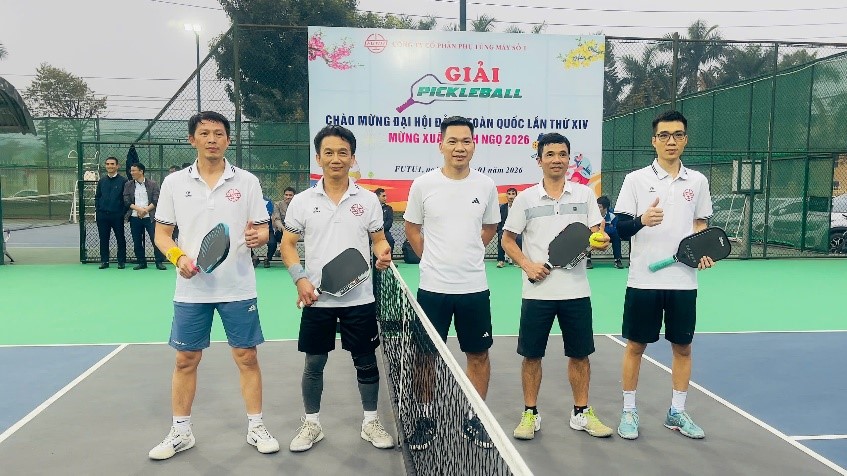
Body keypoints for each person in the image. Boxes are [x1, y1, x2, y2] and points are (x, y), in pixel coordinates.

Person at [148, 111, 279, 460]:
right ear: (192, 139)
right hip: (192, 289)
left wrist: (259, 236)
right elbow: (162, 234)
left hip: (238, 286)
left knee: (247, 357)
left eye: (218, 133)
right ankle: (181, 431)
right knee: (185, 359)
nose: (212, 139)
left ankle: (256, 426)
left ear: (228, 140)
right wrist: (178, 257)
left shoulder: (247, 182)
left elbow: (263, 230)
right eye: (204, 133)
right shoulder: (174, 183)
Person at [281, 125, 395, 453]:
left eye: (342, 153)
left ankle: (370, 422)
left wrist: (383, 252)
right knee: (314, 363)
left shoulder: (368, 201)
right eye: (328, 152)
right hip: (317, 299)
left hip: (359, 298)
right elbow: (288, 244)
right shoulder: (302, 202)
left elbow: (378, 239)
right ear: (318, 158)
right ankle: (312, 424)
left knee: (366, 360)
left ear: (352, 158)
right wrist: (300, 279)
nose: (336, 159)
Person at [501, 132, 614, 441]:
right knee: (531, 356)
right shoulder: (525, 199)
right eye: (549, 154)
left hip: (576, 291)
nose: (556, 159)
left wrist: (601, 241)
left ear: (568, 159)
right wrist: (527, 264)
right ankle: (530, 413)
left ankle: (581, 412)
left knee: (580, 355)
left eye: (562, 154)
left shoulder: (585, 195)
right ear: (539, 160)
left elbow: (596, 235)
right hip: (537, 293)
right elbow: (507, 240)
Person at [613, 110, 714, 441]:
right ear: (654, 140)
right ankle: (629, 411)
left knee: (683, 348)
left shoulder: (698, 181)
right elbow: (620, 229)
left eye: (678, 135)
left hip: (683, 281)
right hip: (643, 280)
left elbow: (700, 224)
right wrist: (642, 220)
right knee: (635, 346)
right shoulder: (636, 180)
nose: (672, 141)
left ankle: (677, 412)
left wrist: (701, 251)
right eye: (665, 135)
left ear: (685, 139)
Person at [403, 115, 500, 450]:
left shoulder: (486, 186)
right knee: (424, 357)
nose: (460, 147)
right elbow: (412, 228)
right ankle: (425, 418)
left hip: (474, 289)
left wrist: (470, 250)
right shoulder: (423, 185)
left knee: (478, 355)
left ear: (474, 145)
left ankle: (475, 419)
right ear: (441, 145)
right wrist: (431, 257)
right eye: (453, 141)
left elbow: (489, 228)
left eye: (466, 141)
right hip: (433, 290)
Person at [123, 162, 166, 270]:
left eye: (134, 170)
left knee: (155, 240)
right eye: (131, 171)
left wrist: (145, 210)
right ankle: (141, 262)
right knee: (137, 241)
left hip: (150, 217)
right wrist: (138, 209)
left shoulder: (153, 184)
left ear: (141, 171)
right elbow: (126, 201)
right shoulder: (128, 185)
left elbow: (156, 200)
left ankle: (159, 262)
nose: (131, 173)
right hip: (135, 217)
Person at [94, 156, 128, 269]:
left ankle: (121, 261)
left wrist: (121, 212)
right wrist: (98, 210)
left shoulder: (123, 181)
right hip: (102, 216)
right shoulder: (102, 181)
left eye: (112, 164)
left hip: (117, 215)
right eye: (108, 164)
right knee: (103, 239)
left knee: (120, 238)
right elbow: (97, 197)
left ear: (117, 166)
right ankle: (104, 261)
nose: (110, 166)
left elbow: (126, 199)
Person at [590, 195, 625, 269]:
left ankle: (617, 260)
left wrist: (602, 230)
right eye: (596, 206)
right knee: (587, 235)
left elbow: (615, 229)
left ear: (605, 208)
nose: (597, 209)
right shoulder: (592, 215)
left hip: (608, 236)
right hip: (594, 235)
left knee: (616, 236)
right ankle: (588, 259)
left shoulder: (613, 216)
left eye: (599, 207)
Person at [268, 187, 295, 268]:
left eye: (290, 195)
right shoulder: (278, 205)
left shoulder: (298, 205)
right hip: (280, 230)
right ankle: (281, 250)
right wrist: (284, 229)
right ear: (283, 195)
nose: (288, 197)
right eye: (286, 195)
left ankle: (281, 249)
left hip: (294, 230)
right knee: (283, 235)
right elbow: (277, 220)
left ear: (294, 196)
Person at [497, 187, 521, 268]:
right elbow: (499, 221)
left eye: (513, 194)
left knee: (519, 238)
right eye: (509, 194)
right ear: (506, 196)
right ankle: (501, 261)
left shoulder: (520, 207)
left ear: (516, 196)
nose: (511, 196)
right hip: (505, 230)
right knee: (501, 237)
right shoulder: (502, 207)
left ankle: (518, 261)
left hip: (517, 230)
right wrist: (500, 231)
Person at [374, 188, 395, 254]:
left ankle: (389, 259)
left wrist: (381, 229)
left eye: (385, 196)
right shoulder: (372, 208)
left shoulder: (388, 208)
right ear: (377, 197)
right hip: (372, 231)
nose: (385, 198)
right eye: (383, 196)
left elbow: (389, 222)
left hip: (384, 231)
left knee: (390, 240)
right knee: (365, 242)